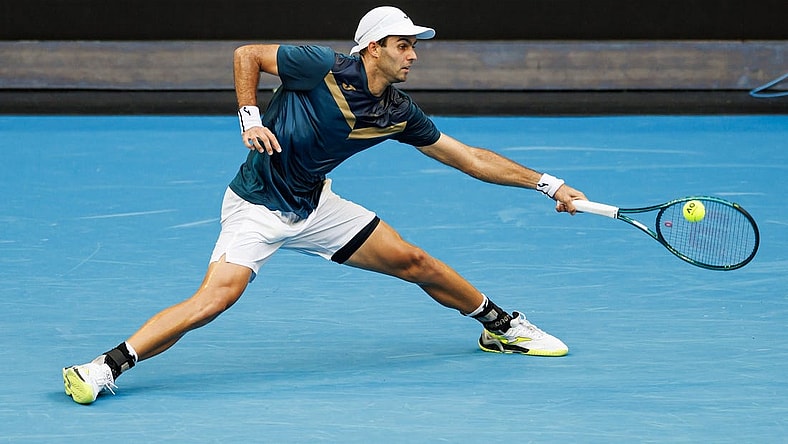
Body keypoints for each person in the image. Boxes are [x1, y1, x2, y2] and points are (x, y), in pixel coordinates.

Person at [62, 5, 587, 405]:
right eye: (404, 45)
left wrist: (548, 184)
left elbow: (468, 157)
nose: (414, 55)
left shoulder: (398, 112)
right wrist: (250, 118)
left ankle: (501, 327)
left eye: (414, 46)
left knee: (414, 261)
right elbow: (247, 54)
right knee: (215, 299)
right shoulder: (320, 66)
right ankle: (104, 367)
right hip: (258, 206)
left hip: (316, 207)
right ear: (374, 47)